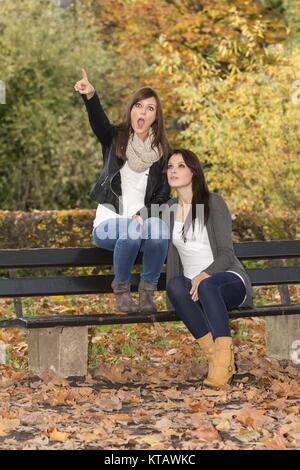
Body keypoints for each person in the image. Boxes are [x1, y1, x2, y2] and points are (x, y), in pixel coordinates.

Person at [74, 69, 171, 314]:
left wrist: (143, 214)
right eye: (139, 105)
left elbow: (163, 196)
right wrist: (91, 95)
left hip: (140, 224)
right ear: (131, 109)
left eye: (150, 108)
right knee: (133, 228)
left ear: (155, 117)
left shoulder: (162, 154)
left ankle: (148, 291)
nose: (143, 112)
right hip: (109, 225)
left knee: (159, 229)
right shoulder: (114, 138)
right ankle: (121, 289)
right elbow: (98, 122)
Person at [164, 149, 255, 388]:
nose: (173, 170)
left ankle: (224, 357)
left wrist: (204, 275)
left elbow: (227, 254)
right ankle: (217, 358)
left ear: (193, 171)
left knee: (207, 285)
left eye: (180, 166)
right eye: (170, 166)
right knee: (174, 286)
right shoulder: (168, 210)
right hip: (194, 288)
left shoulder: (213, 202)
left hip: (226, 281)